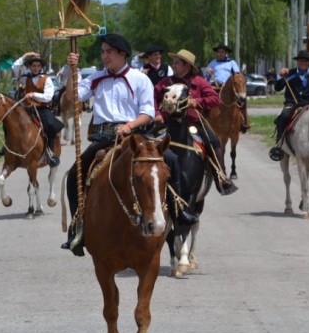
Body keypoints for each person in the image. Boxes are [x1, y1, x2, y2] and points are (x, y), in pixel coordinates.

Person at [62, 33, 154, 256]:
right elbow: (71, 100)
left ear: (123, 54)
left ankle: (175, 215)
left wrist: (129, 126)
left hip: (132, 136)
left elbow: (148, 112)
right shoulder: (95, 78)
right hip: (103, 138)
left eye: (109, 52)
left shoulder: (140, 79)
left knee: (166, 163)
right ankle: (78, 229)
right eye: (103, 52)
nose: (105, 56)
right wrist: (71, 72)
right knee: (75, 175)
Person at [154, 49, 238, 209]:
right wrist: (157, 113)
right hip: (167, 123)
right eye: (174, 62)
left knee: (214, 142)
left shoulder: (198, 82)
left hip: (192, 123)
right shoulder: (165, 83)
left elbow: (214, 98)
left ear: (187, 66)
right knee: (145, 142)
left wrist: (196, 102)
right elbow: (153, 97)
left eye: (177, 62)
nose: (174, 65)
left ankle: (221, 177)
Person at [8, 51, 63, 166]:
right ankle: (7, 149)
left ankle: (50, 154)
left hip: (42, 108)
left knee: (51, 126)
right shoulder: (25, 77)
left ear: (41, 67)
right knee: (10, 122)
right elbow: (15, 67)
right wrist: (26, 55)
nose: (36, 68)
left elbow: (48, 96)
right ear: (30, 66)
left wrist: (33, 94)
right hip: (27, 108)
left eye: (38, 66)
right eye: (33, 66)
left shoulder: (46, 79)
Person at [268, 51, 309, 161]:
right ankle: (280, 140)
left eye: (305, 61)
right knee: (284, 116)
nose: (303, 62)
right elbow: (277, 88)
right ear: (297, 62)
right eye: (300, 60)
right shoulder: (290, 73)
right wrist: (280, 76)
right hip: (292, 103)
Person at [204, 43, 249, 132]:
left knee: (242, 101)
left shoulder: (232, 63)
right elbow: (205, 74)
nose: (221, 54)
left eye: (223, 52)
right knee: (207, 100)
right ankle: (204, 120)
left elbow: (237, 75)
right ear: (217, 53)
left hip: (228, 88)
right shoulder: (213, 63)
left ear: (226, 53)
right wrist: (207, 71)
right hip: (215, 86)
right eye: (219, 52)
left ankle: (243, 122)